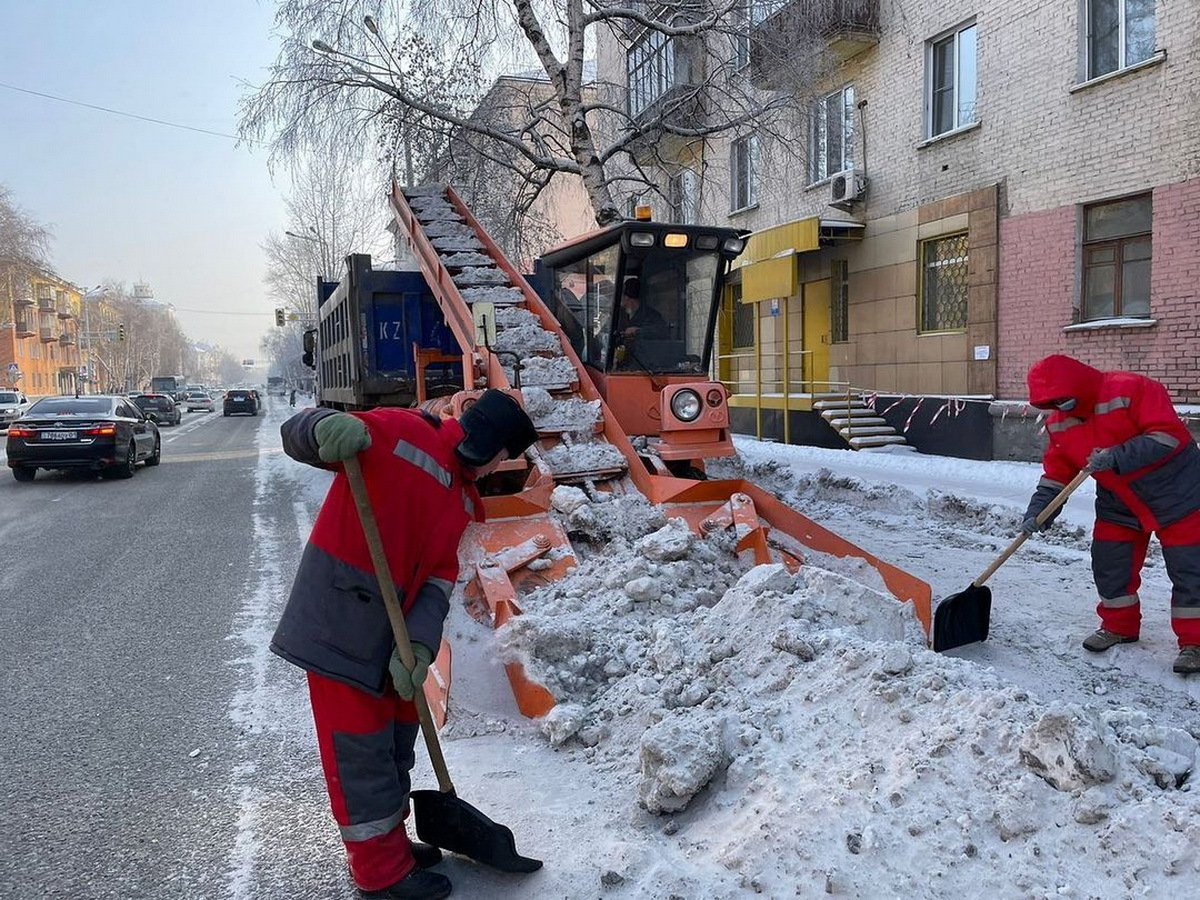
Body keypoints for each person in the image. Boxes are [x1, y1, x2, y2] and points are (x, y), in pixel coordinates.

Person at [272, 390, 539, 899]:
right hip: (340, 622)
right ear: (491, 445)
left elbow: (439, 577)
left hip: (394, 636)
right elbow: (302, 430)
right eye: (505, 455)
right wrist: (321, 430)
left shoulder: (462, 499)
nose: (501, 467)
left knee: (396, 742)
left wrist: (418, 646)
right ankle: (379, 871)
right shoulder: (403, 431)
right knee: (360, 751)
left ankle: (389, 840)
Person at [1022, 354, 1200, 674]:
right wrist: (1039, 512)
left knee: (1191, 569)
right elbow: (1056, 473)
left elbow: (1166, 436)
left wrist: (1117, 456)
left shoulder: (1130, 389)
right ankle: (1119, 626)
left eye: (1062, 398)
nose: (1059, 406)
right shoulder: (1058, 423)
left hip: (1178, 493)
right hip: (1119, 501)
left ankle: (1195, 643)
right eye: (1050, 403)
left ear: (1078, 385)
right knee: (1110, 562)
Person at [613, 277, 668, 368]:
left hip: (645, 366)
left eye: (621, 295)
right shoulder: (618, 316)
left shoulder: (651, 315)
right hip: (621, 367)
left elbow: (663, 332)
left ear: (627, 297)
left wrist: (638, 331)